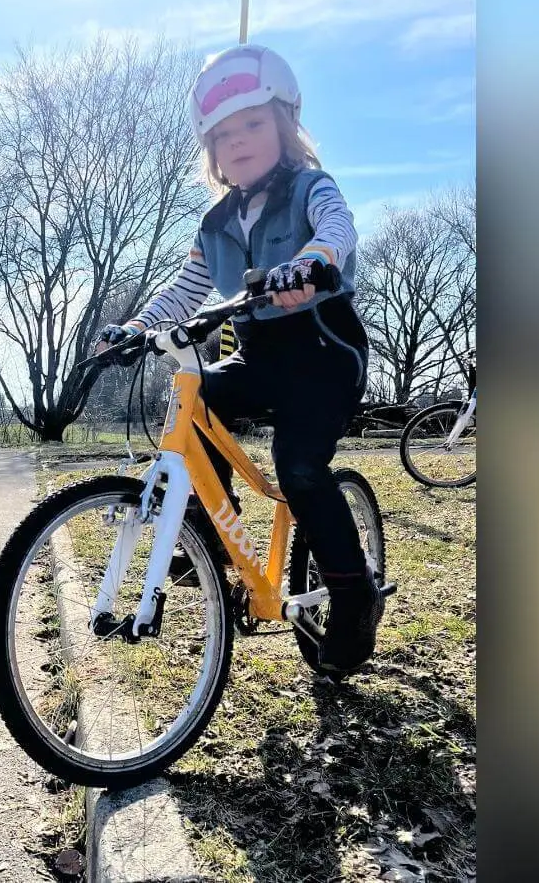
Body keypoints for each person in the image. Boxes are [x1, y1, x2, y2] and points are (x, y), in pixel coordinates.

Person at [95, 43, 381, 674]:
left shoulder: (311, 187)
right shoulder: (215, 222)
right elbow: (187, 289)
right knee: (198, 399)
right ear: (211, 152)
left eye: (253, 124)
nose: (238, 142)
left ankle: (355, 598)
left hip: (324, 353)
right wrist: (138, 326)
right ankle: (207, 532)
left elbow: (339, 227)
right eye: (223, 135)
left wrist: (316, 261)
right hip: (259, 354)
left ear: (284, 125)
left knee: (300, 469)